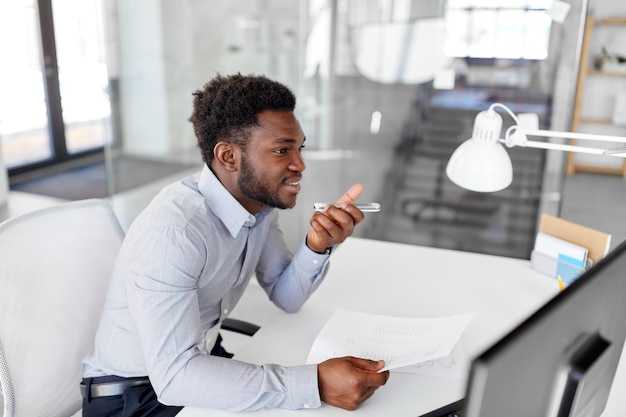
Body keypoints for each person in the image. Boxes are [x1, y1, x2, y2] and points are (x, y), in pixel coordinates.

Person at [81, 73, 389, 417]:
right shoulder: (173, 234)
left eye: (299, 148)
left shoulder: (258, 205)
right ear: (228, 156)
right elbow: (174, 378)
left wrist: (317, 246)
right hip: (135, 397)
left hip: (201, 360)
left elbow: (286, 297)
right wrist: (314, 383)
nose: (299, 164)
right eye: (281, 150)